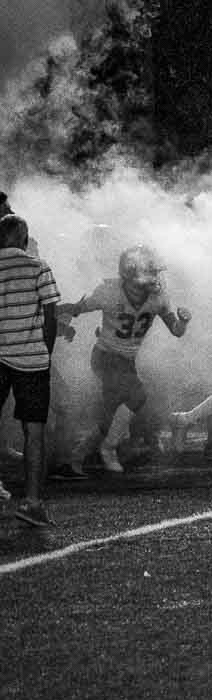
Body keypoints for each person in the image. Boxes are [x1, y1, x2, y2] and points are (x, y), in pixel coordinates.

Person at [54, 245, 193, 477]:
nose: (155, 278)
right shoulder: (110, 292)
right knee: (137, 395)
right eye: (150, 272)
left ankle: (77, 457)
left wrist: (184, 322)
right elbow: (78, 308)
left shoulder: (158, 298)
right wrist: (55, 312)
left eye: (155, 272)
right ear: (131, 273)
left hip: (126, 361)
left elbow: (176, 331)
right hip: (105, 356)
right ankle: (108, 449)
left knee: (110, 416)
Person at [1, 215, 60, 526]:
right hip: (32, 359)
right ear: (24, 240)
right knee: (33, 431)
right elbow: (51, 315)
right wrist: (46, 351)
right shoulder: (39, 267)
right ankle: (32, 503)